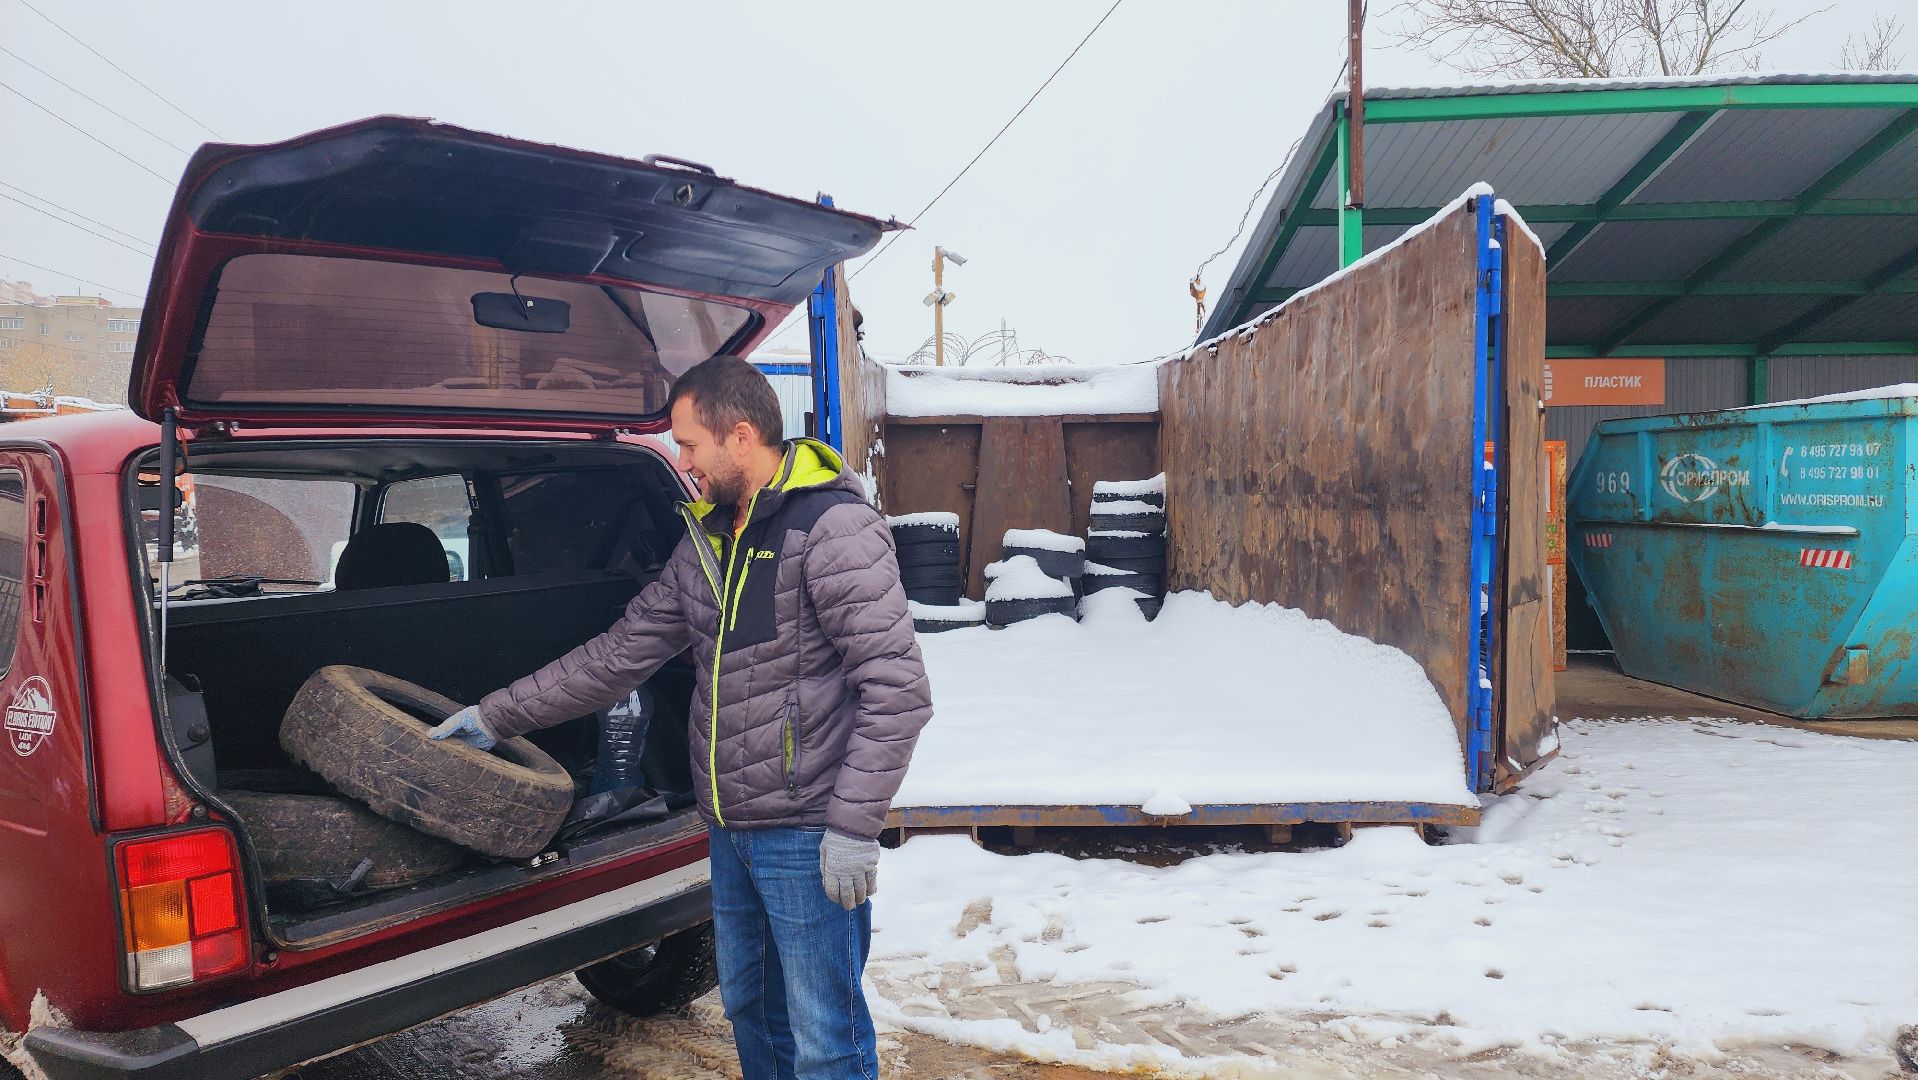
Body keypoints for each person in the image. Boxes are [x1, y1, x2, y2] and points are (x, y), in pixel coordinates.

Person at [430, 355, 933, 1079]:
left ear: (739, 436)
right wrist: (494, 715)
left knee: (828, 1035)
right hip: (731, 829)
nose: (682, 460)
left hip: (808, 832)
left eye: (689, 444)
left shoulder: (833, 529)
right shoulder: (707, 542)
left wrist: (853, 828)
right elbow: (618, 655)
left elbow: (898, 690)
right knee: (754, 1013)